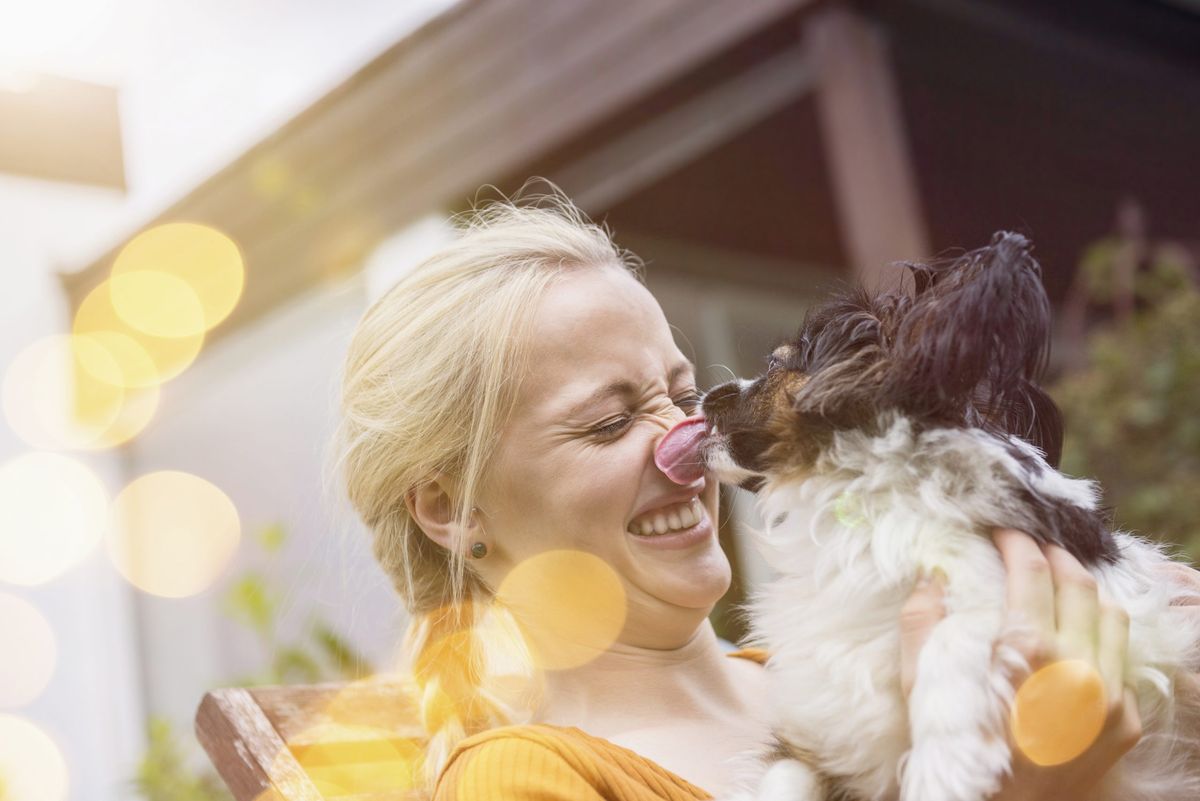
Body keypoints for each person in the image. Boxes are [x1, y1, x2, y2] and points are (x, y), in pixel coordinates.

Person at [335, 186, 1200, 800]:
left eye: (681, 394)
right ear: (449, 508)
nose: (684, 447)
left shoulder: (840, 676)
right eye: (607, 424)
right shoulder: (521, 781)